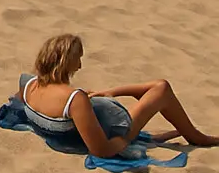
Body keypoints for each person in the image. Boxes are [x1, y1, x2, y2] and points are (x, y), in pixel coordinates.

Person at [19, 33, 219, 157]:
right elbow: (101, 150)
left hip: (74, 131)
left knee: (157, 87)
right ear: (66, 62)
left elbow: (22, 109)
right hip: (108, 136)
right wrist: (126, 140)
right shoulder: (74, 98)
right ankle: (198, 138)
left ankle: (113, 91)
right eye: (77, 60)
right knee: (162, 89)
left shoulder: (28, 85)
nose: (79, 66)